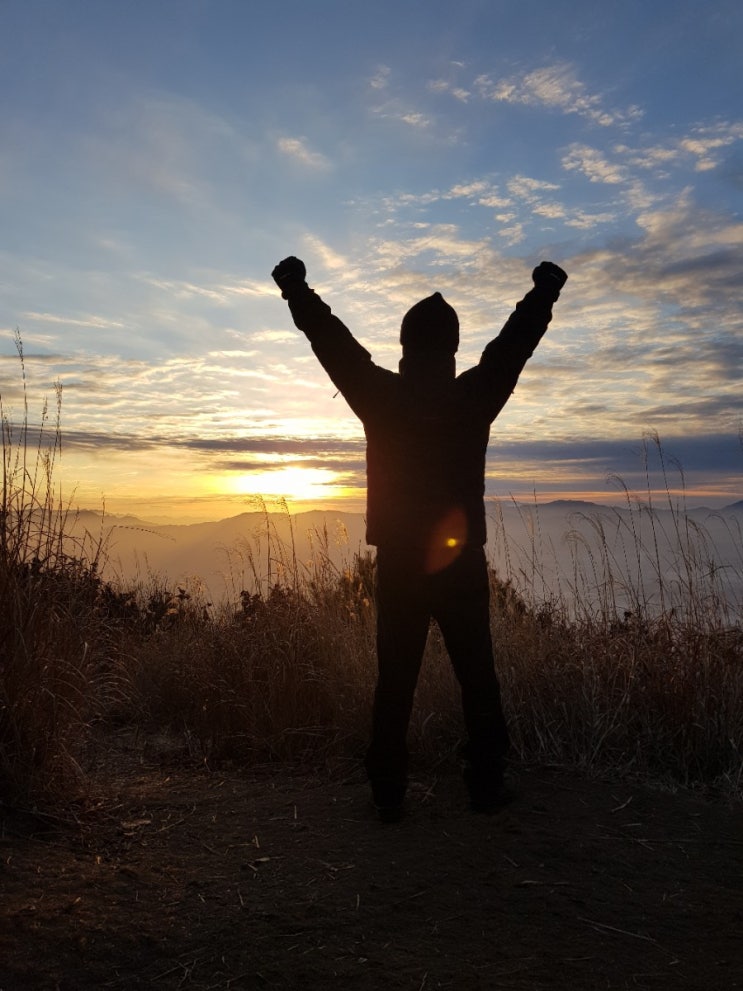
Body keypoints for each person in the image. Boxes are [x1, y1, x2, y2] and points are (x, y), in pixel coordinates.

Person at [272, 255, 567, 820]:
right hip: (461, 563)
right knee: (478, 673)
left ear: (404, 348)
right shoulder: (473, 398)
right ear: (454, 351)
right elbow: (514, 345)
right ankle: (485, 783)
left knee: (396, 678)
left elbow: (333, 343)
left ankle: (387, 792)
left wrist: (296, 289)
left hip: (401, 562)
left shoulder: (381, 397)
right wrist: (544, 292)